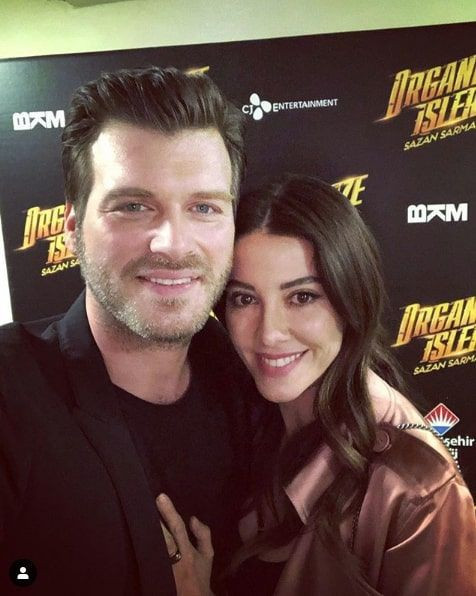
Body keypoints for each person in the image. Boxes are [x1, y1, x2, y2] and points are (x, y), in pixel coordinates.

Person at [0, 66, 250, 596]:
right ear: (72, 228)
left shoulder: (254, 380)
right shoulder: (8, 389)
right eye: (133, 207)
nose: (172, 243)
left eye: (204, 207)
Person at [164, 174, 476, 595]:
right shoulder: (243, 415)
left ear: (350, 300)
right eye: (245, 299)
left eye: (302, 297)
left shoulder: (418, 488)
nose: (269, 333)